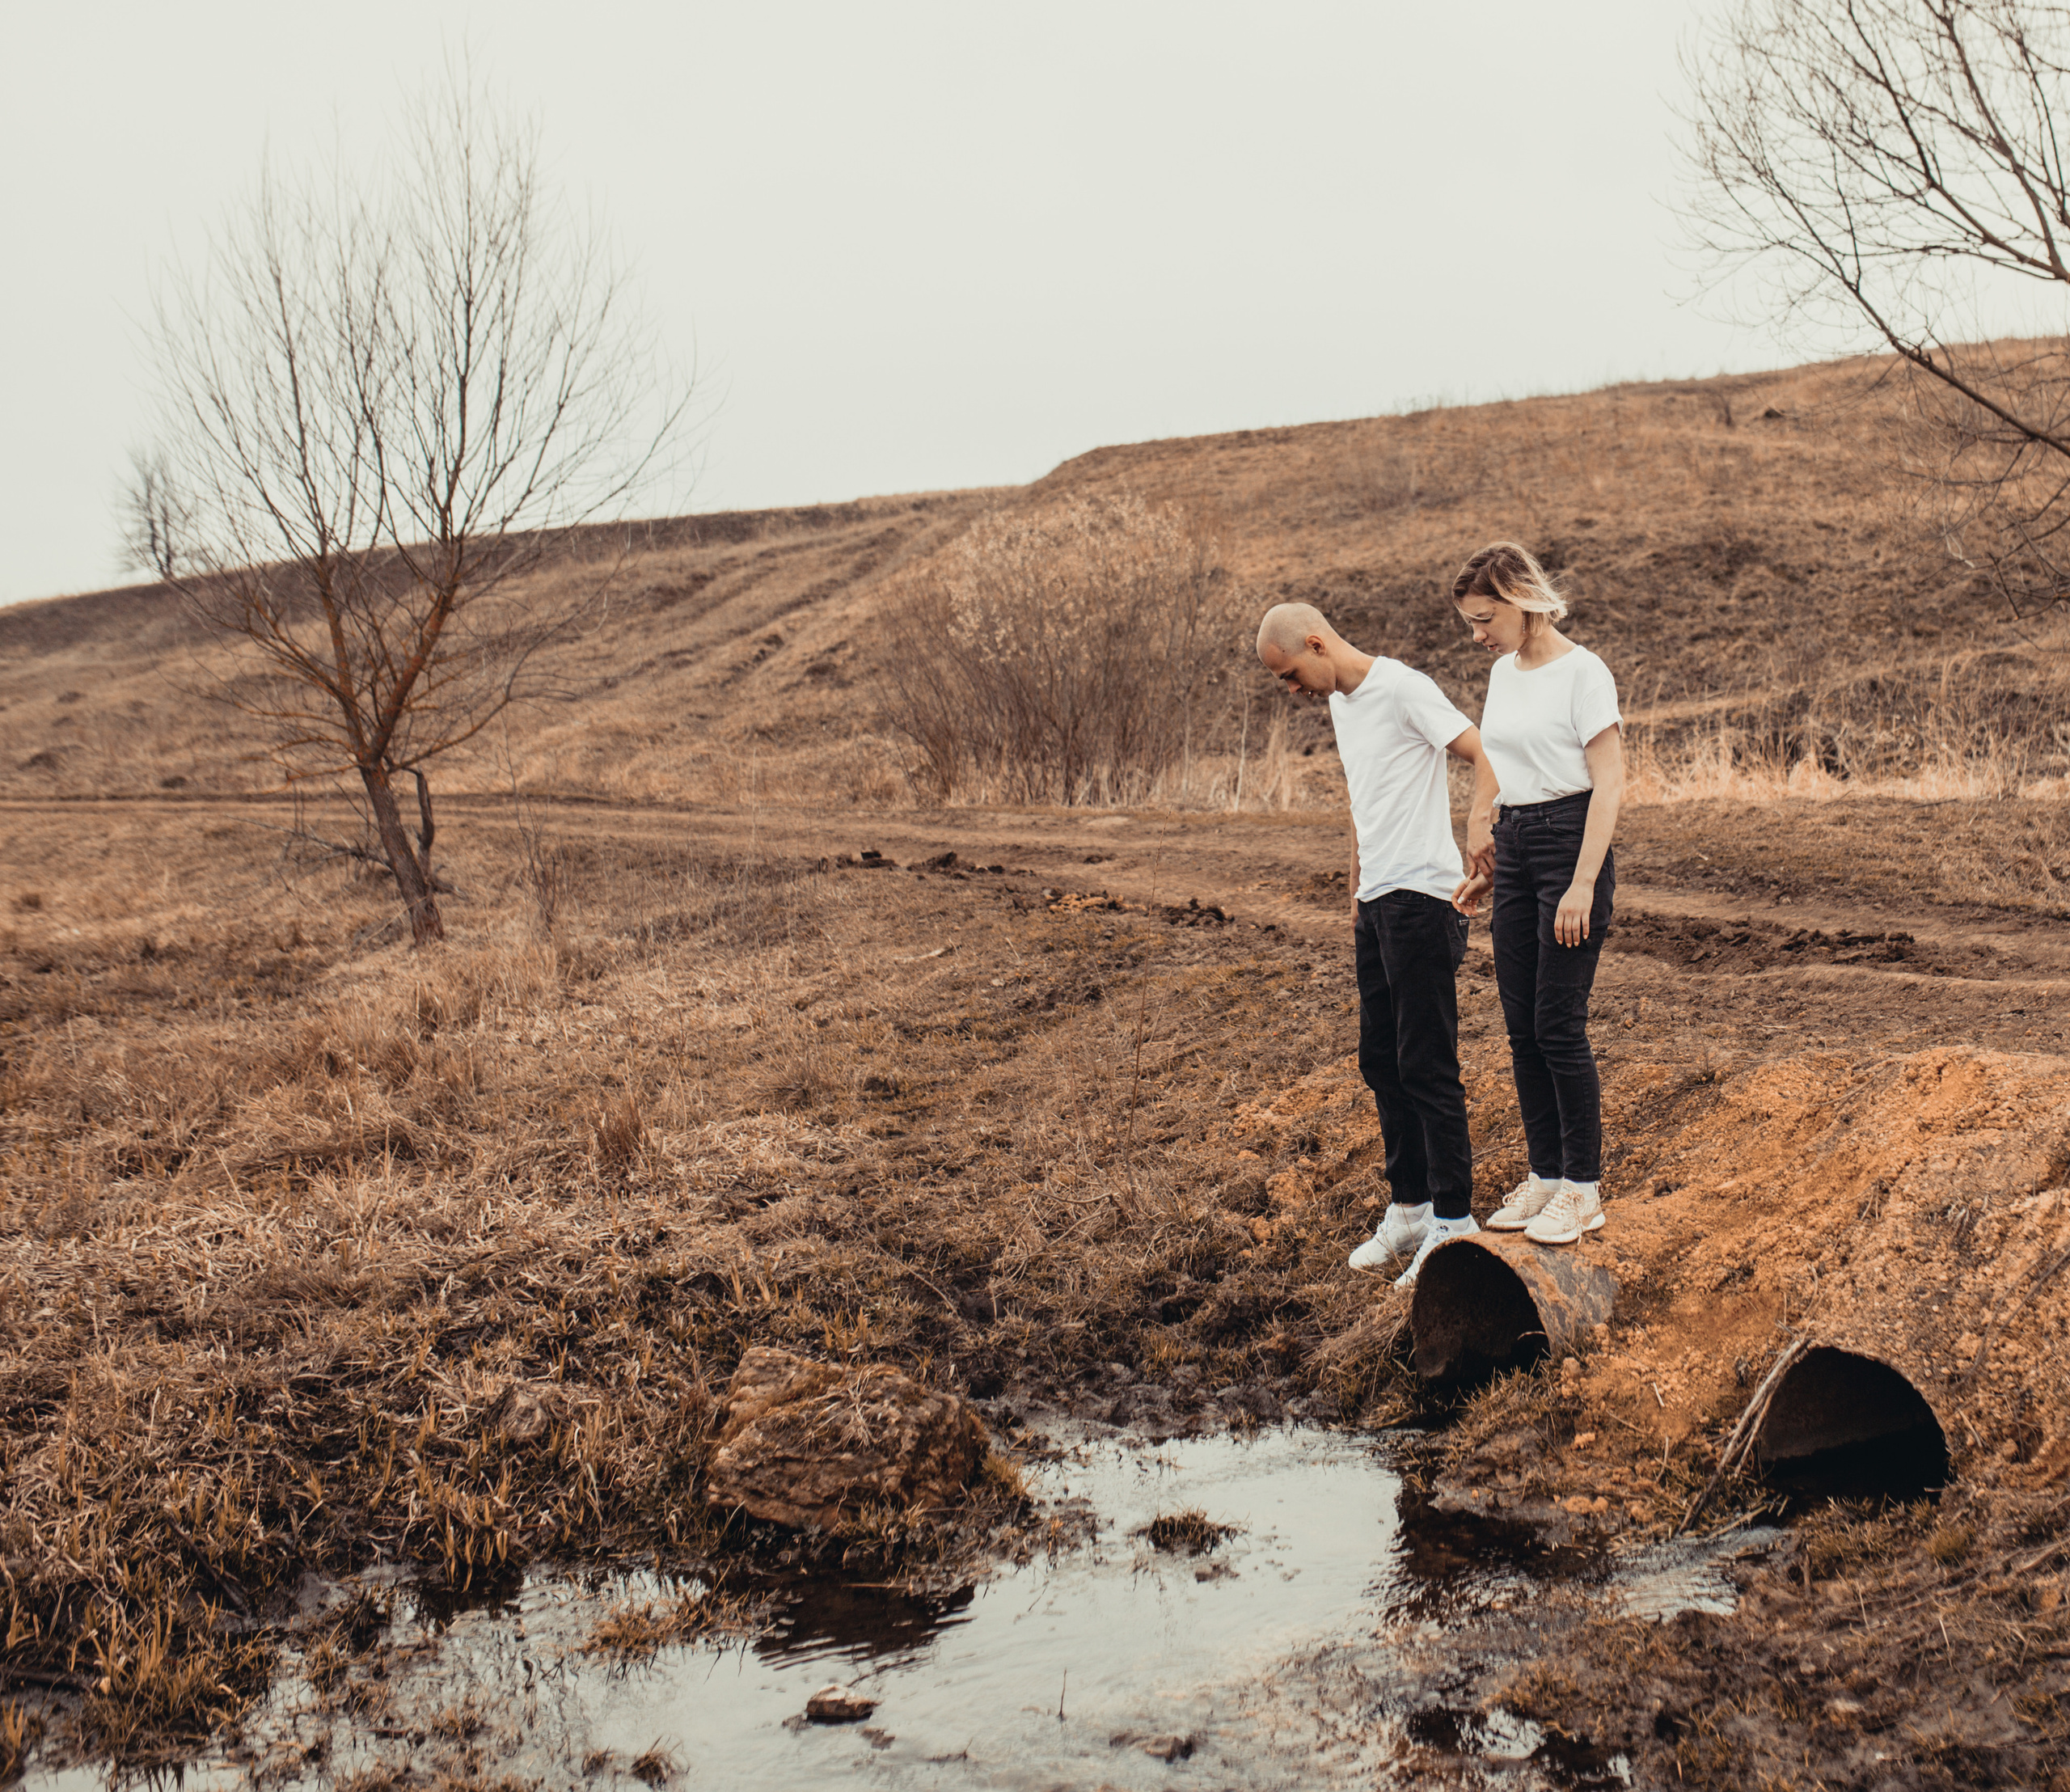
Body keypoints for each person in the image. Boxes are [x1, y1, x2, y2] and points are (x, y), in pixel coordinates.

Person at [1256, 602, 1498, 1289]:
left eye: (1292, 674)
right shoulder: (1343, 703)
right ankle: (1412, 1207)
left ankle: (1455, 1221)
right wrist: (1356, 882)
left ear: (1315, 642)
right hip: (1377, 904)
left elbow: (1483, 751)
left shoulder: (1403, 688)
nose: (1295, 690)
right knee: (1380, 1059)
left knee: (1427, 1064)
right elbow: (1363, 798)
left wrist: (1479, 824)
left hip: (1423, 898)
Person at [1447, 543, 1624, 1247]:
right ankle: (1546, 1176)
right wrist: (1490, 856)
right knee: (1522, 1029)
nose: (1479, 634)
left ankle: (1583, 1191)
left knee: (1559, 1024)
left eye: (1485, 618)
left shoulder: (1585, 673)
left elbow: (1609, 783)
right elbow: (1505, 765)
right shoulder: (1501, 674)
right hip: (1517, 845)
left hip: (1569, 843)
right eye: (1471, 623)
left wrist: (1583, 881)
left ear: (1522, 602)